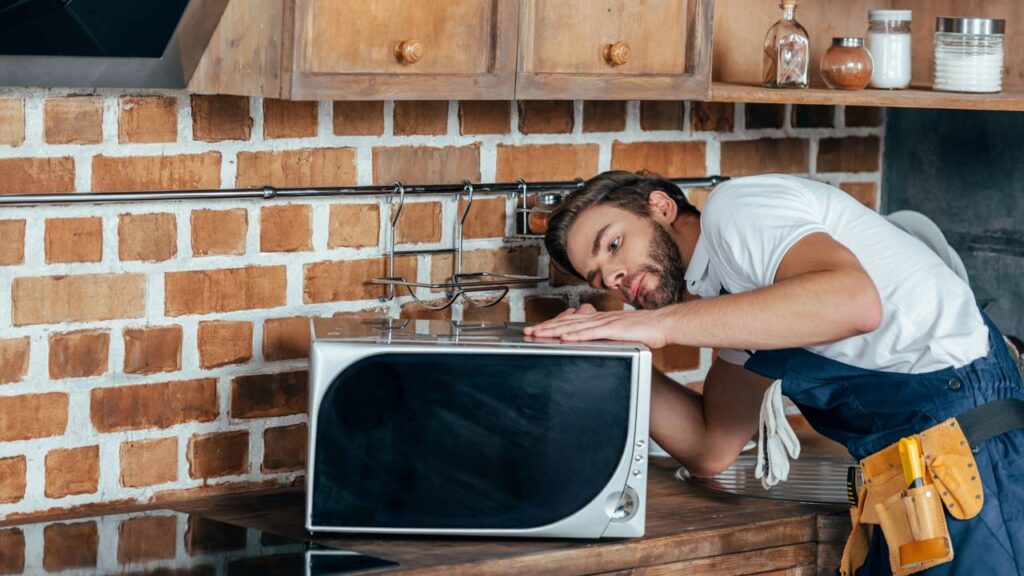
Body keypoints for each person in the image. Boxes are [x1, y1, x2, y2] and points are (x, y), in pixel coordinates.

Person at [523, 171, 1024, 575]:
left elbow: (853, 300)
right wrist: (612, 354)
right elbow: (709, 447)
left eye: (613, 246)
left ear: (661, 208)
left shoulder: (736, 210)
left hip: (972, 461)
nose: (611, 278)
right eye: (596, 277)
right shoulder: (731, 305)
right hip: (911, 490)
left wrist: (659, 325)